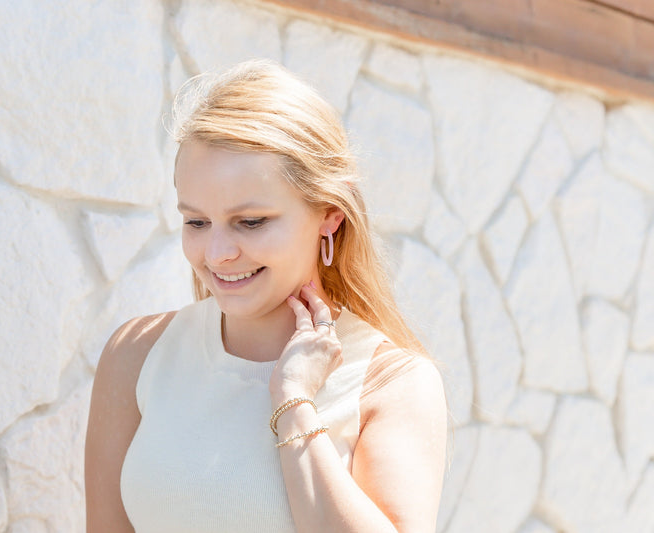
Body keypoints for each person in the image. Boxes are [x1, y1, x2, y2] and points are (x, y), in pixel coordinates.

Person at [85, 59, 447, 533]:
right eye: (196, 221)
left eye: (250, 222)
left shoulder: (391, 383)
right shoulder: (138, 354)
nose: (217, 253)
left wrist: (295, 402)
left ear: (330, 215)